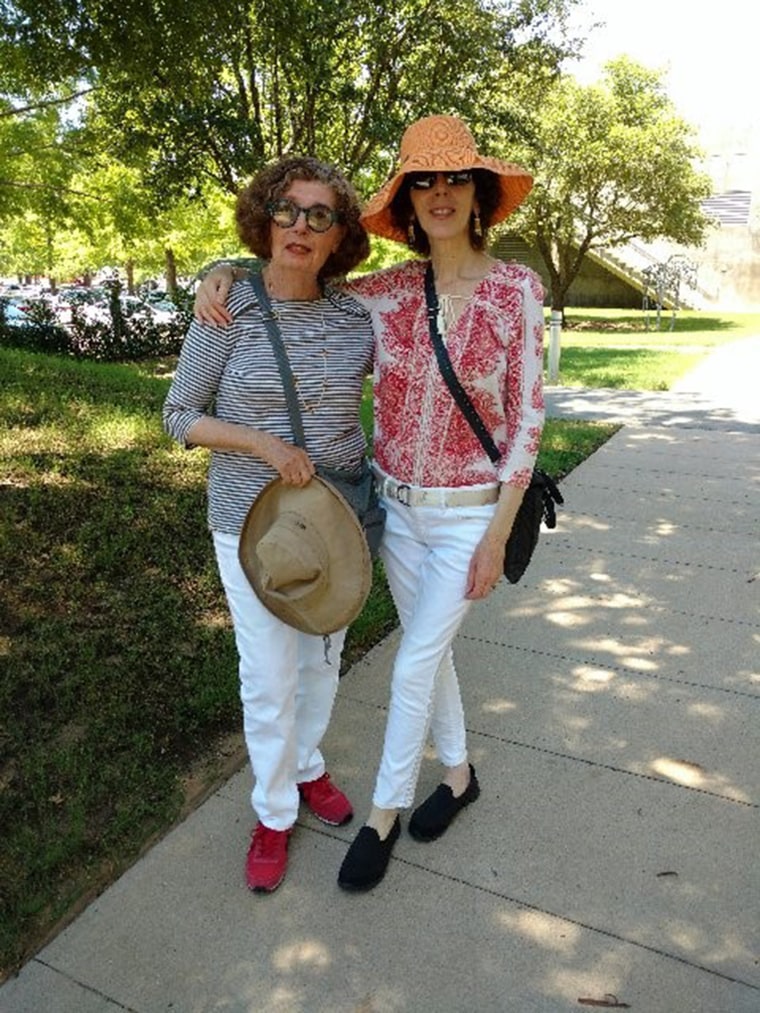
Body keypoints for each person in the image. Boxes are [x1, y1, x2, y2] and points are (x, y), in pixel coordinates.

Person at [194, 115, 545, 892]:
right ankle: (457, 776)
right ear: (409, 201)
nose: (441, 192)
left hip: (469, 515)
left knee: (413, 664)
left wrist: (499, 533)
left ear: (479, 193)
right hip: (390, 514)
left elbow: (529, 420)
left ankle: (383, 814)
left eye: (456, 178)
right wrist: (216, 268)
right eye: (425, 180)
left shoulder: (518, 290)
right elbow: (291, 268)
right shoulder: (380, 296)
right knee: (433, 651)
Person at [163, 155, 374, 894]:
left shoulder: (355, 315)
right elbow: (178, 415)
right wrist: (261, 444)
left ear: (340, 234)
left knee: (321, 660)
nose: (301, 226)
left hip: (337, 520)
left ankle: (307, 765)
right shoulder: (229, 307)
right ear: (265, 216)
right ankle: (274, 811)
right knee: (269, 673)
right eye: (288, 208)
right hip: (250, 523)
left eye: (321, 215)